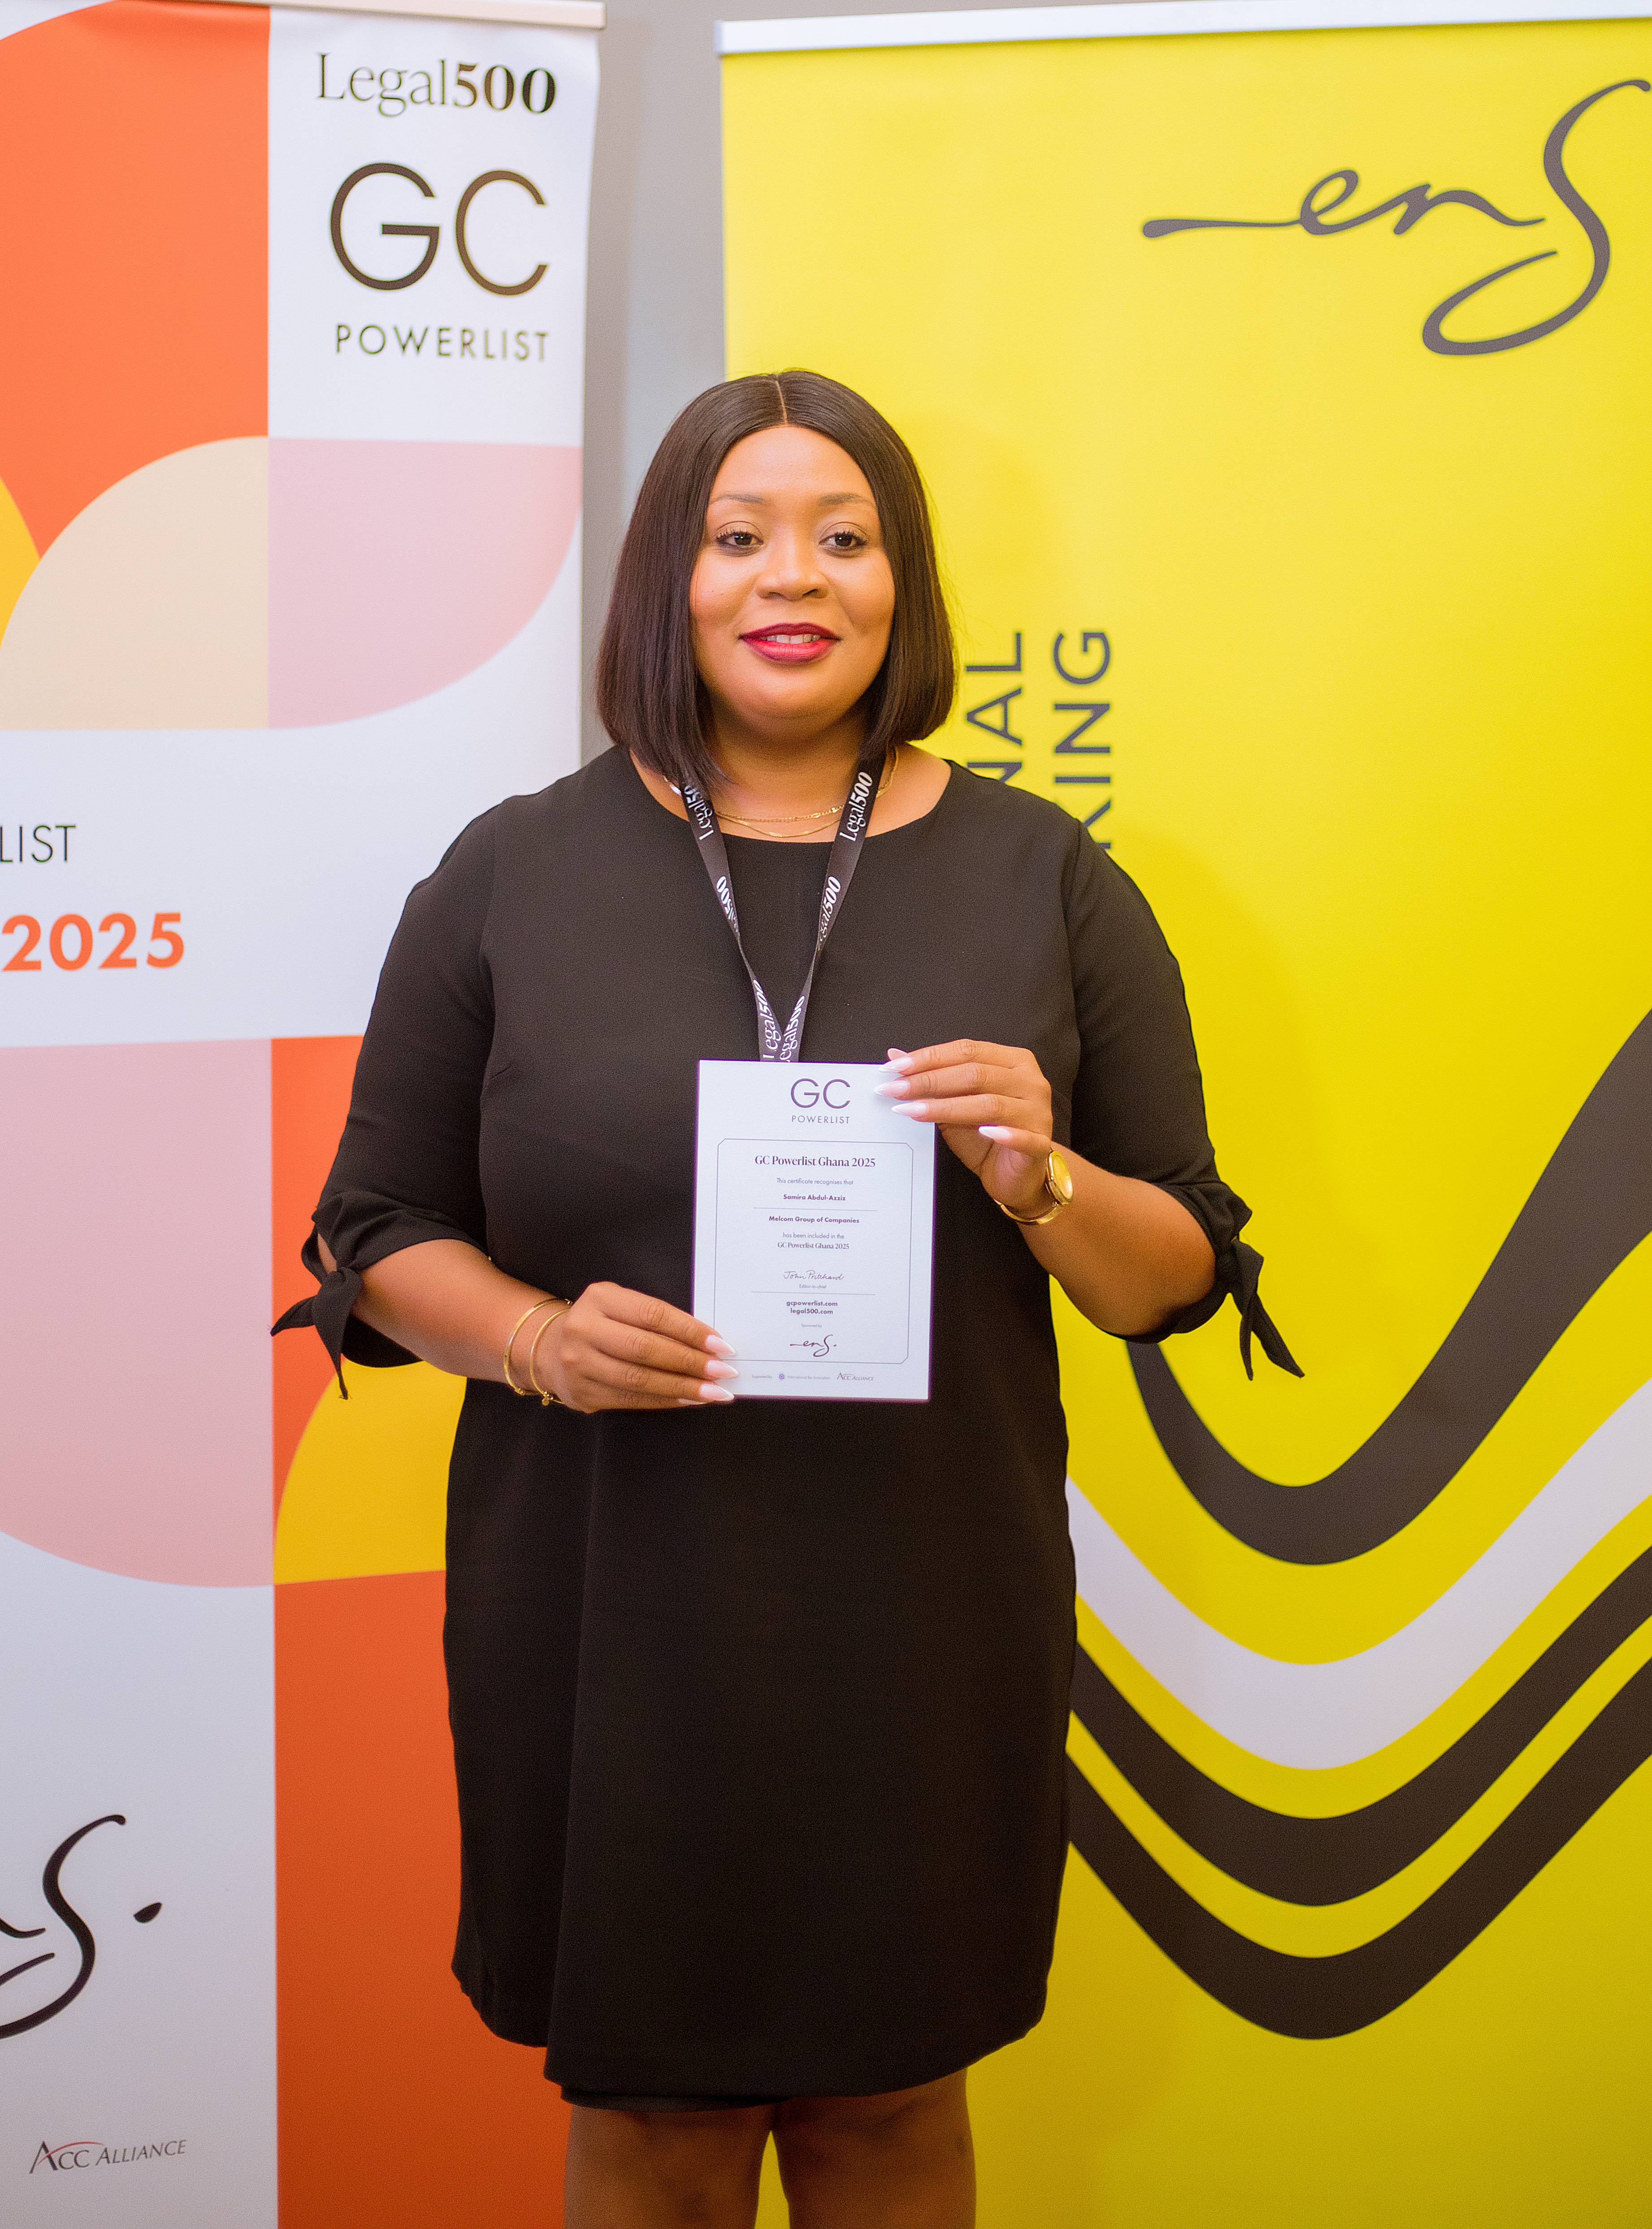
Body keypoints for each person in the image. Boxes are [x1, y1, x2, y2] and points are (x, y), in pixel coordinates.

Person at [275, 370, 1294, 2229]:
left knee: (891, 2105)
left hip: (923, 1608)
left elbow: (1176, 1276)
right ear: (667, 576)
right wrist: (535, 1340)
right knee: (653, 2117)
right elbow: (376, 1232)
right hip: (611, 1607)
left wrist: (1043, 1179)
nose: (793, 576)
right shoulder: (511, 870)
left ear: (904, 585)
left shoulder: (1048, 877)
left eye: (844, 536)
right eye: (739, 535)